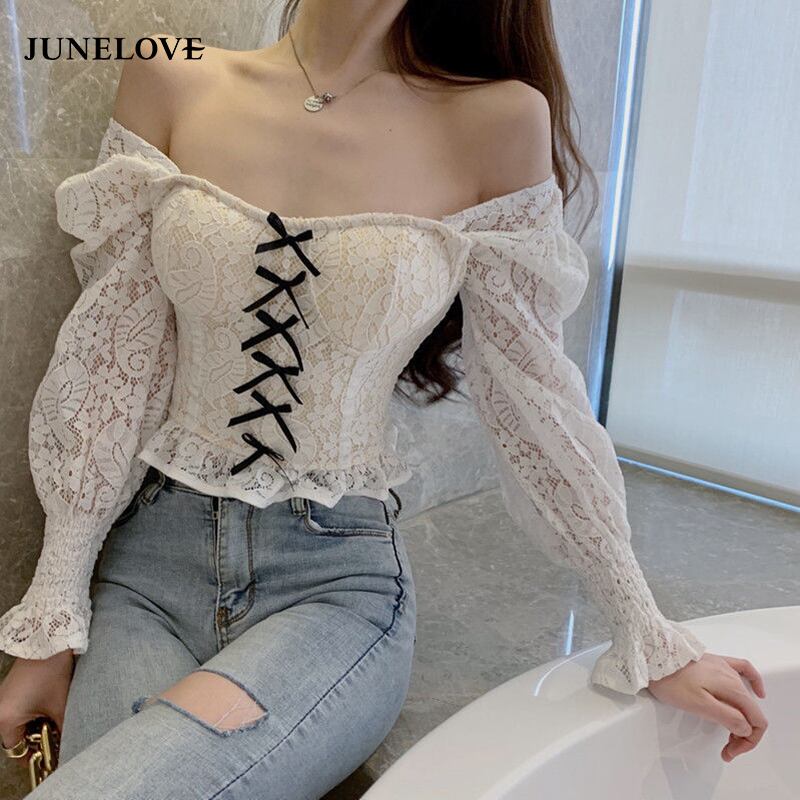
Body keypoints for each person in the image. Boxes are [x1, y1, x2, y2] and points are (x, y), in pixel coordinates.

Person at [0, 1, 768, 796]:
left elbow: (534, 397)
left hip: (331, 590)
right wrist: (51, 617)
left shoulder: (497, 121)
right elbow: (111, 363)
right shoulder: (171, 74)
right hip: (147, 574)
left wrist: (643, 626)